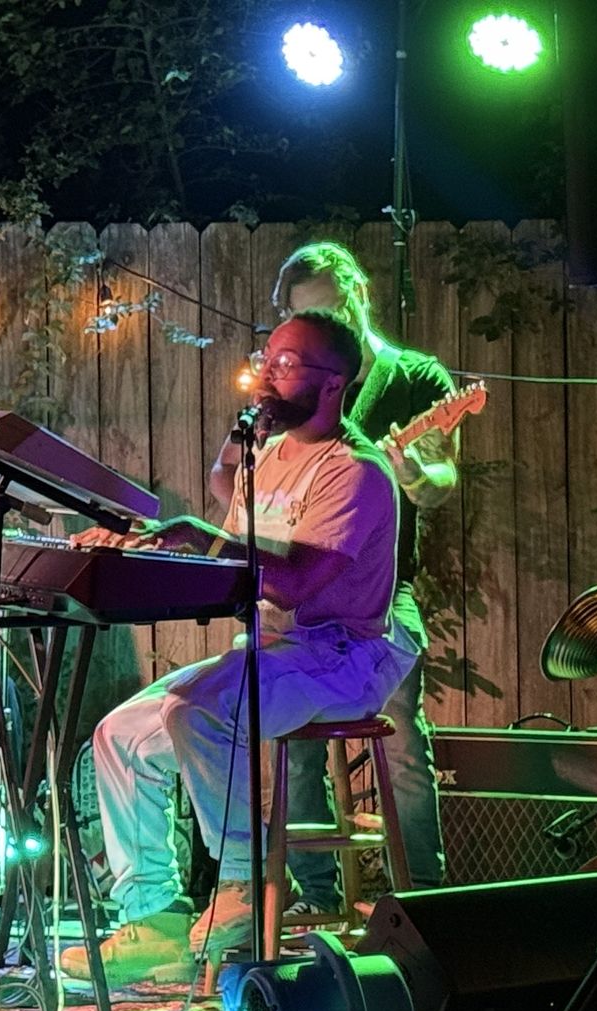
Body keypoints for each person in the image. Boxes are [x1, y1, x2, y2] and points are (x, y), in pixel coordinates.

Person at [61, 311, 416, 983]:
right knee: (119, 735)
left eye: (286, 365)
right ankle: (153, 918)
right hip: (277, 649)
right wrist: (140, 553)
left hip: (341, 654)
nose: (266, 377)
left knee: (199, 708)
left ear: (333, 384)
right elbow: (236, 560)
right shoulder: (271, 457)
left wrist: (203, 539)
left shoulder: (356, 472)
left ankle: (243, 883)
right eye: (266, 360)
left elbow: (296, 583)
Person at [213, 242, 458, 917]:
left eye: (327, 310)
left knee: (401, 742)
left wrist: (410, 471)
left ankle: (425, 904)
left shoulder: (414, 377)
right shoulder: (291, 392)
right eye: (303, 316)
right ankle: (313, 898)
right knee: (288, 747)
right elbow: (236, 482)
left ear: (357, 294)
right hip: (295, 593)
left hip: (375, 593)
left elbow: (441, 483)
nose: (321, 326)